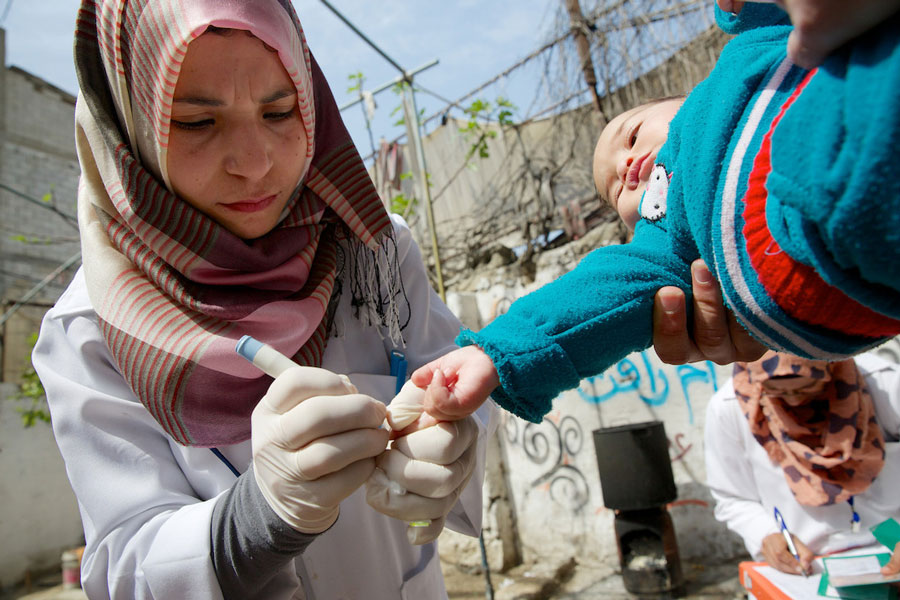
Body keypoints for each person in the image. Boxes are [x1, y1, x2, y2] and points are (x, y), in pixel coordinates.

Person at [32, 1, 497, 598]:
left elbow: (455, 385)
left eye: (280, 111)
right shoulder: (89, 331)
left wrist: (452, 443)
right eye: (197, 122)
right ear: (130, 129)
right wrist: (254, 521)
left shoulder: (375, 254)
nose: (255, 164)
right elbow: (125, 567)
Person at [409, 0, 900, 424]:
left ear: (687, 100)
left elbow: (761, 16)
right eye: (612, 190)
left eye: (630, 135)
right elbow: (594, 295)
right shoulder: (664, 243)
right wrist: (498, 354)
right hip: (844, 273)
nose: (624, 166)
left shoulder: (749, 70)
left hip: (832, 135)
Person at [705, 350, 900, 577]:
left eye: (807, 388)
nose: (794, 400)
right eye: (777, 391)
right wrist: (765, 535)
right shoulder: (729, 407)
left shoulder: (885, 384)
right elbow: (732, 497)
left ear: (831, 367)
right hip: (806, 569)